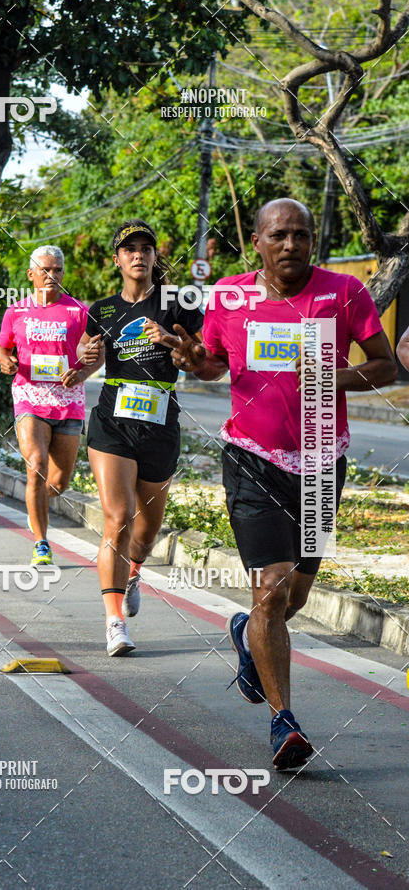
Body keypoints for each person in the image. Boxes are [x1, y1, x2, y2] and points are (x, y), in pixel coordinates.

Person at [168, 198, 397, 769]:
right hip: (251, 456)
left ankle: (248, 636)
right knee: (270, 585)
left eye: (301, 234)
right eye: (279, 235)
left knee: (294, 595)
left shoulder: (344, 291)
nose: (291, 244)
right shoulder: (228, 295)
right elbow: (215, 362)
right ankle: (283, 722)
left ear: (312, 240)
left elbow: (386, 365)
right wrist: (198, 362)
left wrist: (331, 374)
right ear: (257, 242)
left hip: (323, 458)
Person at [77, 219, 204, 656]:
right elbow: (87, 356)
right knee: (118, 516)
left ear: (154, 257)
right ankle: (114, 622)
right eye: (129, 248)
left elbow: (199, 359)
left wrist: (172, 341)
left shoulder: (179, 302)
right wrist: (81, 358)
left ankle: (134, 571)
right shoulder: (103, 309)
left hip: (160, 424)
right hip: (112, 421)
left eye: (145, 248)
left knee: (146, 533)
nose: (138, 255)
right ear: (117, 259)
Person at [0, 246, 99, 567]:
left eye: (57, 270)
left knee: (57, 483)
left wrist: (82, 371)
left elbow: (99, 353)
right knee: (36, 465)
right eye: (45, 270)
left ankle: (35, 502)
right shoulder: (16, 312)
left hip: (69, 403)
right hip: (30, 398)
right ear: (31, 274)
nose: (52, 276)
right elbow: (1, 349)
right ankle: (41, 542)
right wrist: (7, 362)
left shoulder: (80, 312)